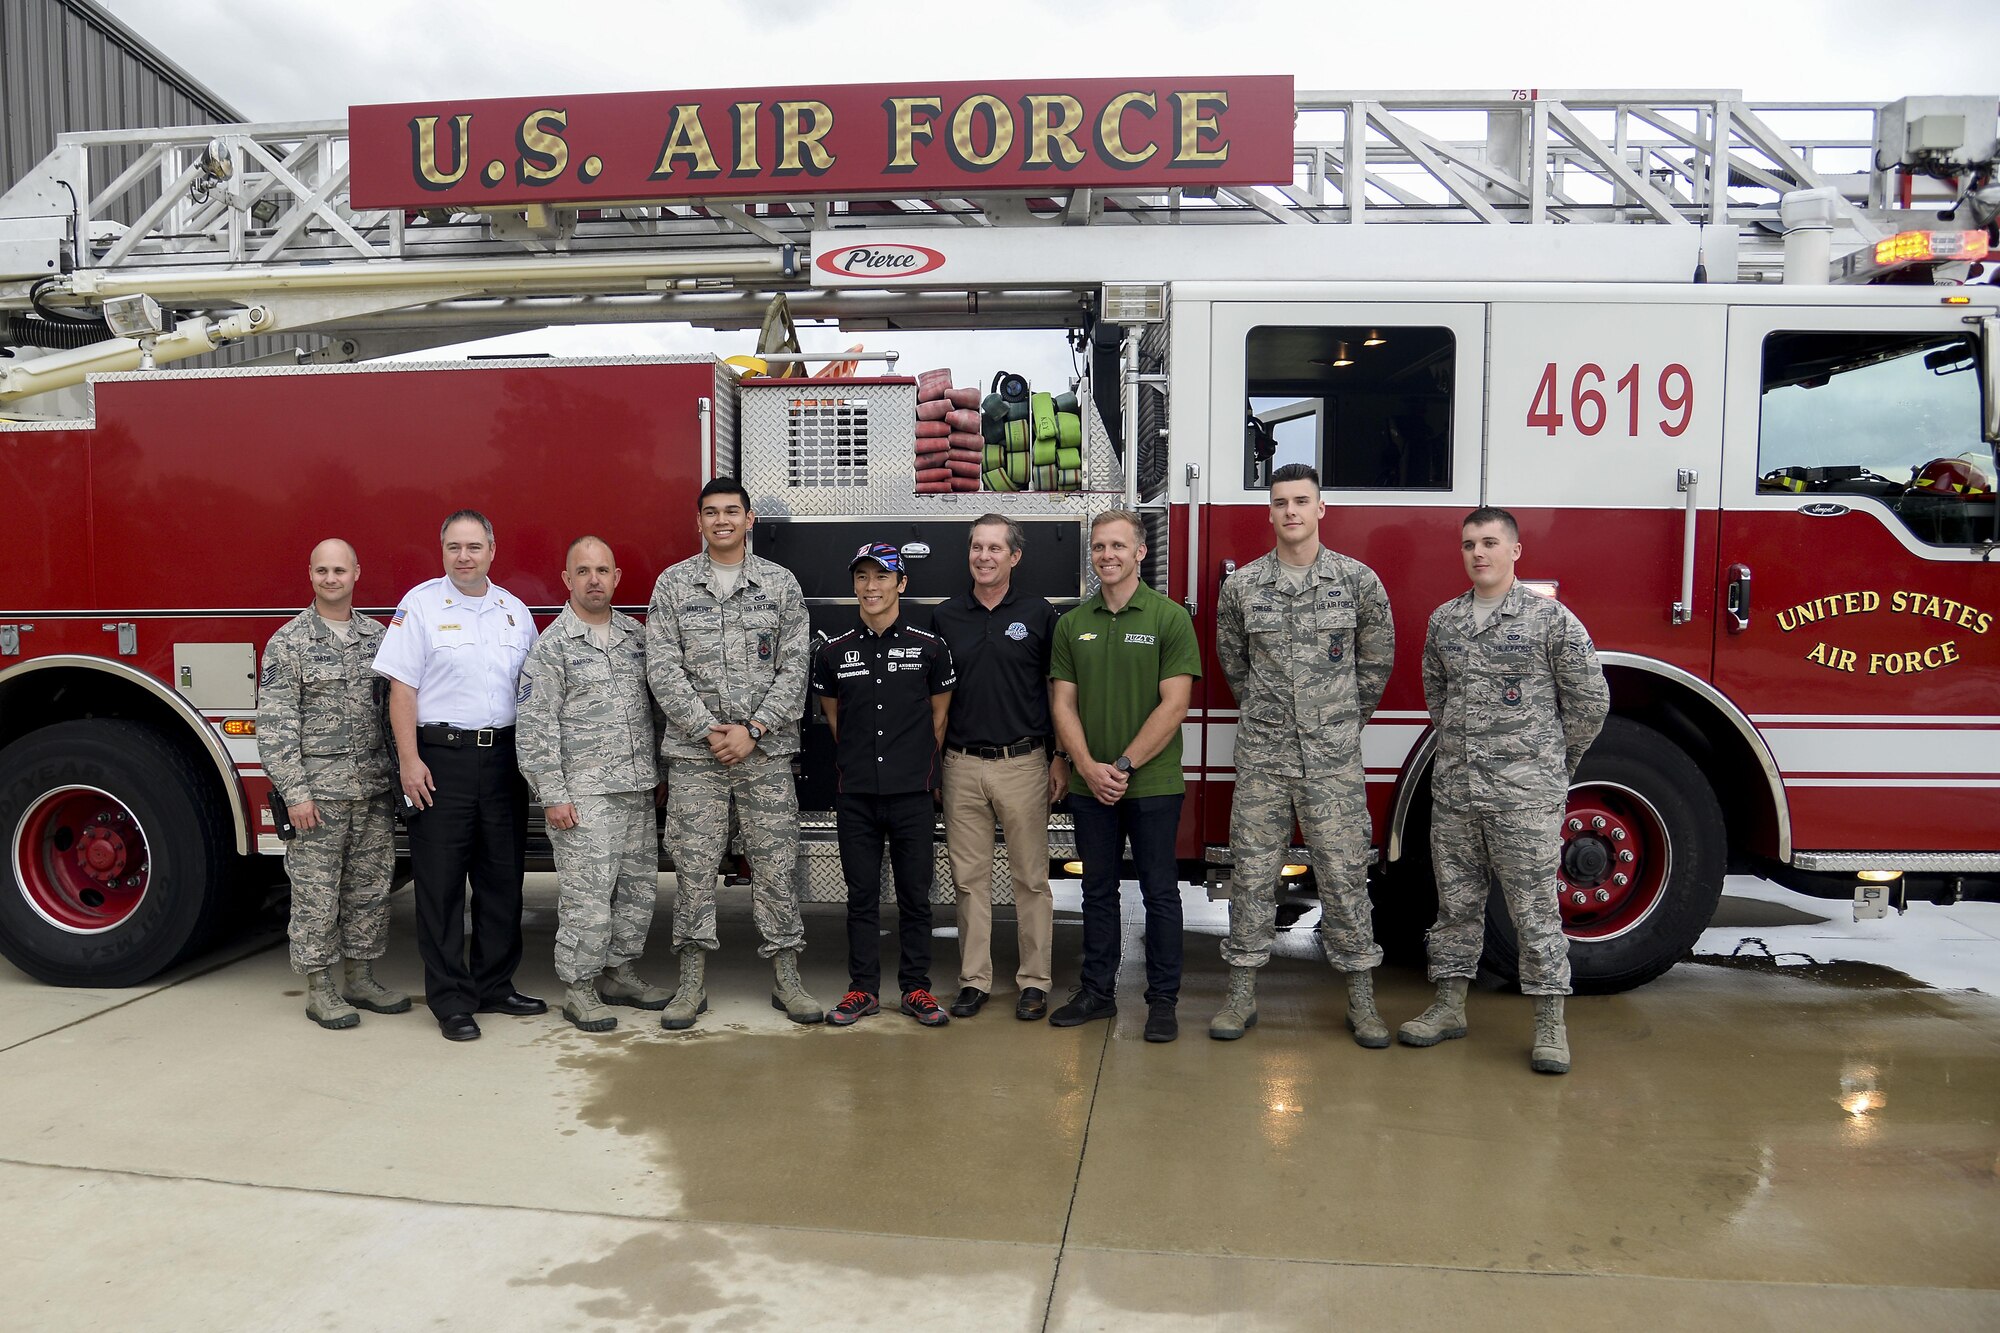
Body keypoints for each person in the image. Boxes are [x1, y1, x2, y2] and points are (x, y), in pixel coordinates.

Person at [1400, 506, 1609, 1074]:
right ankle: (1448, 1008)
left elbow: (1590, 701)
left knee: (1534, 911)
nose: (1478, 553)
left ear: (1516, 551)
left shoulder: (1550, 622)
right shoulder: (1446, 621)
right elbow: (1437, 697)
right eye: (1469, 544)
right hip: (1458, 795)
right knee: (1456, 907)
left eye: (1490, 543)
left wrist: (1553, 765)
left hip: (1525, 797)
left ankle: (1549, 1026)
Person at [1210, 464, 1395, 1044]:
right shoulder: (1242, 588)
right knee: (1252, 877)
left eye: (1302, 501)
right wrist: (1273, 717)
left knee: (1344, 878)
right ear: (1269, 512)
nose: (1291, 511)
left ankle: (1362, 1002)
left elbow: (1376, 664)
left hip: (1333, 763)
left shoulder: (1358, 582)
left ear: (1321, 510)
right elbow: (1234, 663)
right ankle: (1241, 997)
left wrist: (1336, 721)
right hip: (1264, 759)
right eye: (1281, 502)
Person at [645, 478, 819, 1029]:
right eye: (711, 512)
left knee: (775, 864)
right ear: (698, 522)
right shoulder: (673, 585)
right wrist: (708, 730)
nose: (722, 520)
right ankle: (691, 982)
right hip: (698, 759)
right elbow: (662, 668)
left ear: (750, 520)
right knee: (693, 868)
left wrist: (755, 728)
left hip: (764, 756)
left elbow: (796, 668)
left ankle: (787, 977)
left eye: (732, 512)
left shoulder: (780, 585)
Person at [373, 509, 543, 1042]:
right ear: (442, 551)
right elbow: (402, 690)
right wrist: (408, 761)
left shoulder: (515, 612)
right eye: (454, 547)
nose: (464, 556)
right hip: (439, 761)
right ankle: (450, 999)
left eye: (473, 546)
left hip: (502, 762)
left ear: (493, 548)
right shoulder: (419, 606)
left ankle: (494, 985)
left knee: (501, 881)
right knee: (441, 886)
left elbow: (534, 693)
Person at [1048, 510, 1201, 1043]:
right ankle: (1097, 992)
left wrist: (1122, 766)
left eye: (1117, 546)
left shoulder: (1169, 618)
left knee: (1161, 893)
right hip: (1093, 786)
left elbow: (1175, 704)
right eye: (1098, 547)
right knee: (1096, 891)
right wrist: (1086, 766)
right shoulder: (1072, 623)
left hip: (1152, 784)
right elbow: (1062, 705)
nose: (1106, 555)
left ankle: (1162, 1002)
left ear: (1141, 552)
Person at [517, 537, 668, 1033]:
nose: (594, 580)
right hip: (583, 795)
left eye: (603, 570)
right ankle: (580, 987)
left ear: (617, 577)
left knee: (638, 891)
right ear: (567, 580)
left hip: (637, 788)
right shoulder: (552, 646)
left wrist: (659, 774)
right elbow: (536, 726)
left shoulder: (637, 637)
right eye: (583, 571)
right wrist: (553, 795)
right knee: (588, 896)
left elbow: (657, 711)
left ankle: (619, 973)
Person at [257, 538, 409, 1030]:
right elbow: (277, 725)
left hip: (372, 791)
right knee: (317, 894)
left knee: (368, 890)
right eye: (322, 570)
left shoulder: (378, 638)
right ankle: (320, 988)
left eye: (339, 570)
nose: (330, 578)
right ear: (310, 574)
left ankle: (360, 979)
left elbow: (393, 715)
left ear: (356, 573)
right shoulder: (289, 643)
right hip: (318, 798)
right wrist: (296, 794)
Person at [811, 542, 957, 1028]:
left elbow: (939, 720)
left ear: (902, 584)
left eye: (881, 577)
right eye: (862, 578)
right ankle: (862, 990)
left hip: (912, 794)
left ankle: (916, 989)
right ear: (854, 584)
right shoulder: (833, 652)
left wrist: (908, 765)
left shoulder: (929, 647)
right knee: (861, 898)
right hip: (855, 795)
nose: (871, 587)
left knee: (917, 897)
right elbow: (836, 722)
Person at [929, 515, 1066, 1021]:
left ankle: (1034, 982)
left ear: (1015, 557)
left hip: (1024, 763)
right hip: (961, 765)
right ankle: (974, 981)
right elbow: (936, 699)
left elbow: (1057, 691)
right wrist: (936, 766)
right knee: (970, 881)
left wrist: (1060, 755)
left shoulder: (1038, 614)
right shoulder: (946, 617)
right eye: (976, 548)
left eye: (994, 548)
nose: (984, 557)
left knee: (1031, 879)